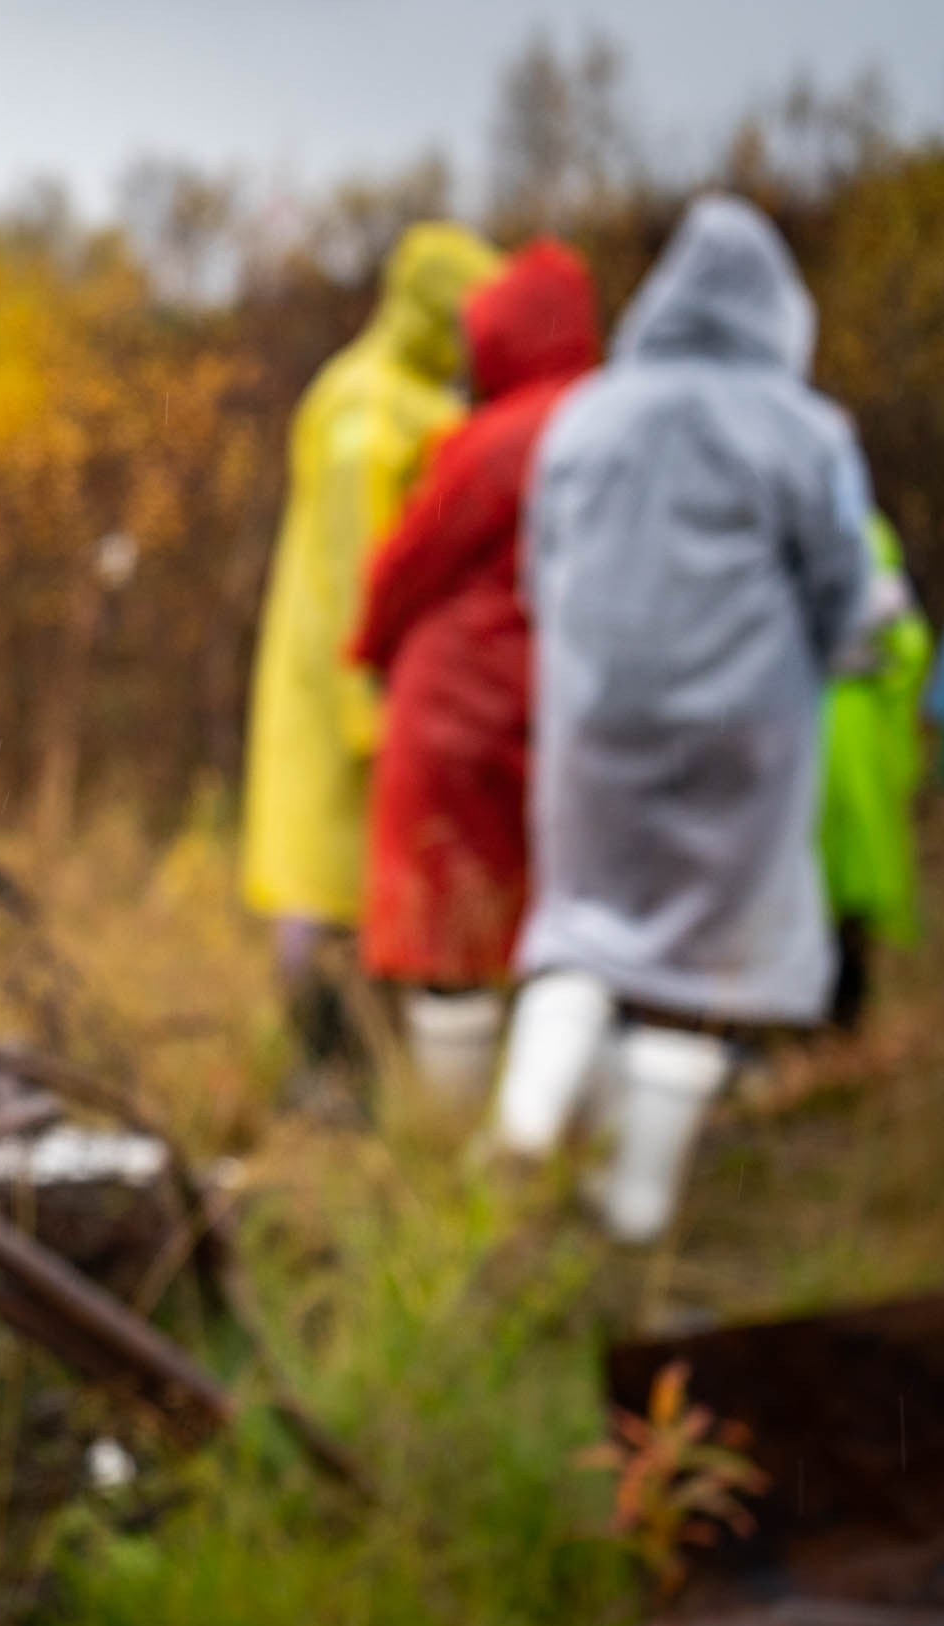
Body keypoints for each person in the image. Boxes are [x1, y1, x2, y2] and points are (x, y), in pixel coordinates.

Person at [493, 194, 875, 1244]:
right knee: (703, 956)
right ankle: (633, 1208)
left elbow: (539, 572)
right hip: (739, 731)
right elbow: (846, 588)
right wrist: (853, 648)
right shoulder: (801, 431)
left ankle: (522, 1126)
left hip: (595, 726)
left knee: (579, 923)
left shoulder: (587, 415)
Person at [241, 223, 501, 1087]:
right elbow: (362, 563)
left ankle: (359, 1067)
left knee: (366, 877)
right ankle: (324, 1072)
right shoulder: (367, 404)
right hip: (344, 682)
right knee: (324, 877)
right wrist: (368, 703)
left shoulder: (412, 402)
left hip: (388, 680)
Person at [348, 239, 600, 1112]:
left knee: (448, 931)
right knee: (558, 919)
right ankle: (543, 1128)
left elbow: (406, 564)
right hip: (577, 702)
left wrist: (368, 649)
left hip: (459, 704)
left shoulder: (491, 443)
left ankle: (450, 1143)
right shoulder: (609, 424)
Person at [819, 511, 930, 1030]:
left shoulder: (867, 536)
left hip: (849, 744)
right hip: (813, 740)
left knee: (847, 894)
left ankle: (842, 1017)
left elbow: (908, 642)